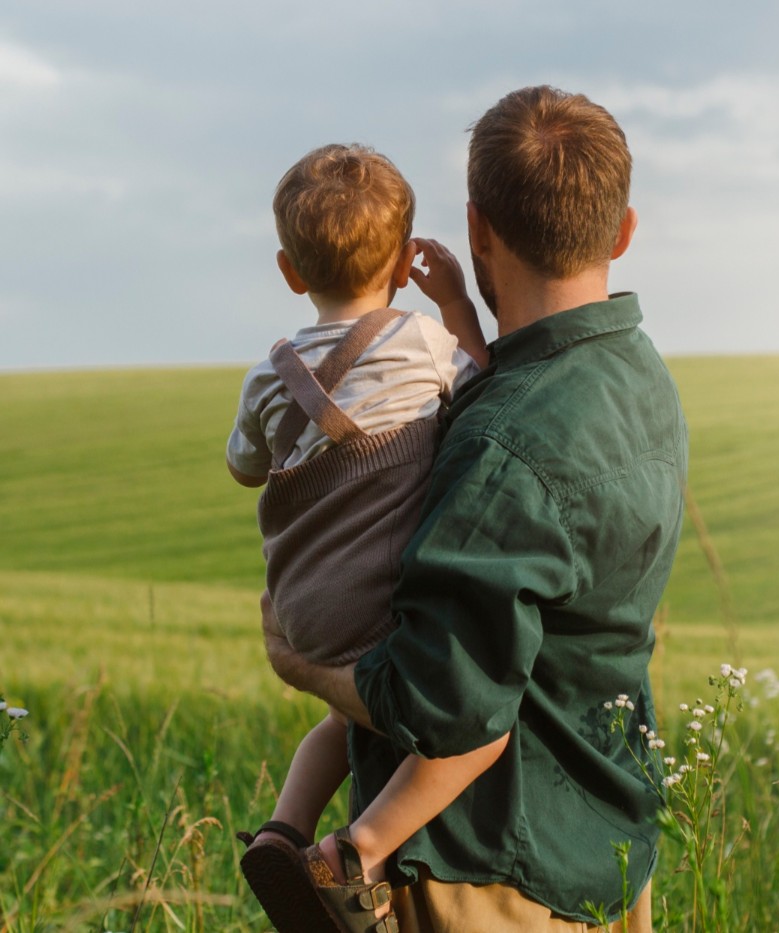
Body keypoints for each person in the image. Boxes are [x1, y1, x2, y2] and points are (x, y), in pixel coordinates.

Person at [264, 86, 688, 932]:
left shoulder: (501, 444)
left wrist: (302, 663)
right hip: (604, 840)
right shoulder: (641, 378)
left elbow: (442, 707)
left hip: (489, 869)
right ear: (623, 232)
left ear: (477, 231)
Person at [227, 143, 507, 933]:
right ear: (401, 261)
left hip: (302, 610)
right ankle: (356, 851)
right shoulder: (419, 341)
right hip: (380, 604)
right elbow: (484, 380)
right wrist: (456, 301)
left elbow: (244, 469)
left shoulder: (268, 374)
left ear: (289, 271)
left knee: (341, 720)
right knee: (476, 730)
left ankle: (282, 832)